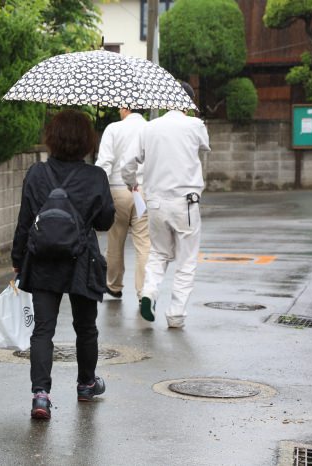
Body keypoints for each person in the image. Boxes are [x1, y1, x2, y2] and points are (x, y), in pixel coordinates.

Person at [12, 109, 115, 420]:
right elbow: (105, 221)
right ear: (87, 140)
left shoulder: (36, 173)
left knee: (43, 330)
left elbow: (25, 222)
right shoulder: (96, 176)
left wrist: (18, 261)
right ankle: (86, 384)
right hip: (82, 259)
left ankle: (40, 396)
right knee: (86, 327)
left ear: (51, 139)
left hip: (42, 259)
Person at [121, 81, 211, 329]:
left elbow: (127, 164)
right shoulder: (195, 125)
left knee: (158, 253)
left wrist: (131, 183)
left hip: (156, 202)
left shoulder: (149, 128)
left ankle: (149, 293)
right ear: (188, 103)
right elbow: (205, 145)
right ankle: (175, 315)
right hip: (186, 203)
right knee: (186, 259)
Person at [95, 108, 150, 303]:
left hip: (117, 189)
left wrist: (98, 190)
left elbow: (104, 163)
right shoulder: (150, 128)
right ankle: (144, 292)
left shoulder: (113, 128)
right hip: (143, 190)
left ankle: (114, 285)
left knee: (115, 240)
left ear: (125, 107)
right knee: (144, 242)